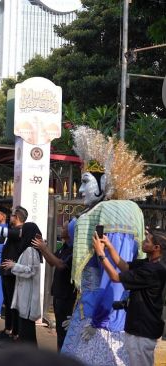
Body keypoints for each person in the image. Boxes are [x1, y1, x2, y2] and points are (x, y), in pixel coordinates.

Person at [61, 126, 154, 365]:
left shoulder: (116, 211)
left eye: (85, 182)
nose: (80, 190)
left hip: (104, 320)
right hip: (88, 312)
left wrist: (100, 320)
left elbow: (116, 278)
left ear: (104, 183)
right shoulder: (95, 211)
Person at [92, 228, 166, 366]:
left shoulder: (153, 270)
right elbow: (125, 266)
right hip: (139, 327)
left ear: (156, 248)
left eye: (147, 241)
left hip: (143, 330)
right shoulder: (149, 263)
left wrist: (101, 254)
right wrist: (109, 245)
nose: (144, 242)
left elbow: (115, 277)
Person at [31, 222, 77, 350]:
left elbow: (61, 265)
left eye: (64, 228)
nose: (61, 229)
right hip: (58, 293)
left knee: (64, 330)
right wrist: (42, 248)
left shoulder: (75, 249)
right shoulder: (65, 246)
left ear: (70, 232)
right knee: (60, 330)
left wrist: (44, 248)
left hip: (67, 296)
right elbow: (52, 262)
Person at [2, 222, 43, 346]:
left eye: (23, 231)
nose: (20, 233)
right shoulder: (28, 249)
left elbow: (31, 270)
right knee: (25, 331)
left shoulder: (30, 250)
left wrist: (14, 265)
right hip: (25, 296)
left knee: (27, 332)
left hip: (28, 298)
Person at [0, 206, 25, 342]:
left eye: (12, 216)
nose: (10, 217)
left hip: (12, 273)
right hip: (6, 271)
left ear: (17, 218)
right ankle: (8, 329)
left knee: (12, 304)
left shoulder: (19, 231)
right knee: (9, 303)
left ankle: (14, 333)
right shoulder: (13, 231)